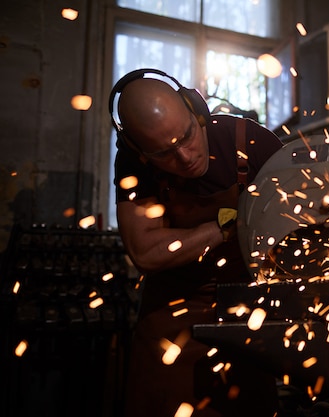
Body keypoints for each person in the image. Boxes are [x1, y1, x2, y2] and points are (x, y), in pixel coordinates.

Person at [109, 69, 284, 417]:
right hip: (172, 317)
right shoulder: (133, 161)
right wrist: (224, 229)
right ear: (141, 151)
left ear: (197, 111)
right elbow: (145, 251)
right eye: (165, 154)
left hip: (246, 311)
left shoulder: (249, 141)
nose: (185, 158)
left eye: (186, 136)